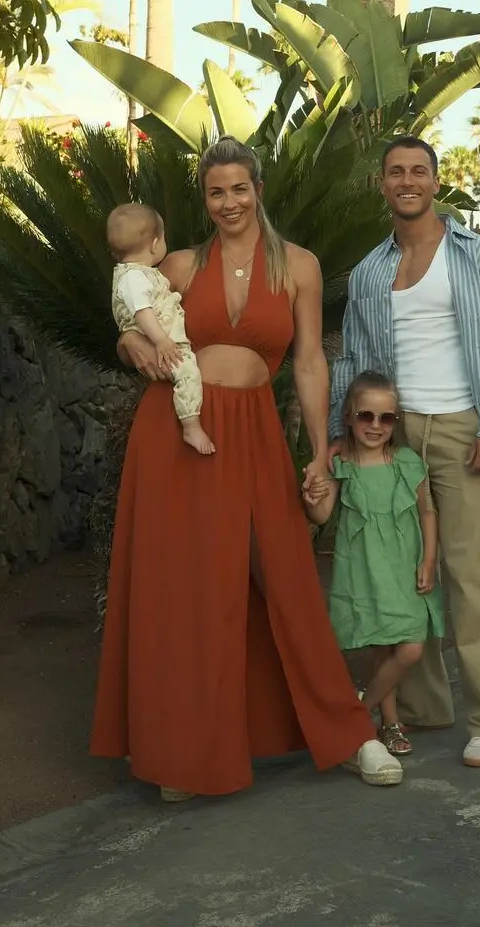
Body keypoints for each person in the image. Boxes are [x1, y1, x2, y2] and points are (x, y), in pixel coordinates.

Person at [92, 134, 403, 800]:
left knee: (284, 570)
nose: (228, 201)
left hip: (255, 430)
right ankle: (182, 754)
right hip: (176, 435)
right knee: (184, 587)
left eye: (238, 188)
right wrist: (126, 341)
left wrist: (321, 451)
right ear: (203, 200)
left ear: (257, 189)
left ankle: (352, 734)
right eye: (215, 191)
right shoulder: (175, 264)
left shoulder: (298, 265)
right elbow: (128, 311)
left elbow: (310, 361)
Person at [329, 135, 480, 769]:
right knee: (399, 572)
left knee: (471, 573)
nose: (407, 180)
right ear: (381, 185)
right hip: (393, 431)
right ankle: (423, 706)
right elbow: (355, 360)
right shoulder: (367, 272)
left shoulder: (477, 257)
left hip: (465, 428)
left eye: (419, 170)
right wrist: (342, 429)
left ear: (436, 182)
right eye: (395, 172)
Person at [303, 371, 444, 757]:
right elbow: (321, 515)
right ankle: (390, 723)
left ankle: (356, 711)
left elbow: (427, 513)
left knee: (411, 647)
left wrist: (429, 559)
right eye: (366, 416)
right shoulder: (341, 465)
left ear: (396, 421)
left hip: (405, 568)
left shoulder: (407, 462)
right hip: (365, 569)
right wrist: (313, 495)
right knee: (383, 647)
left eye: (386, 418)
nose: (376, 426)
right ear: (348, 417)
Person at [107, 203, 215, 455]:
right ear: (155, 244)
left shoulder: (143, 274)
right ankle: (190, 424)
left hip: (161, 339)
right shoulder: (133, 277)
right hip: (163, 343)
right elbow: (141, 311)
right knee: (187, 372)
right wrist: (161, 340)